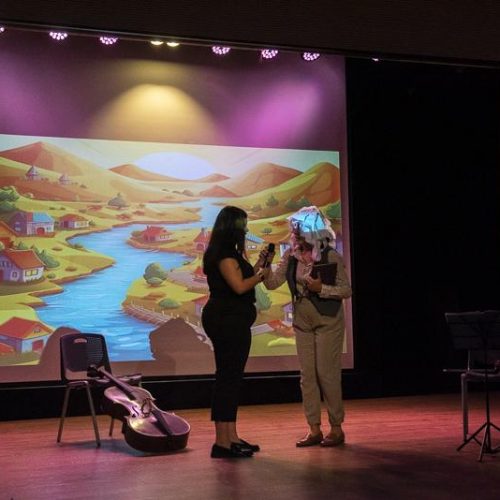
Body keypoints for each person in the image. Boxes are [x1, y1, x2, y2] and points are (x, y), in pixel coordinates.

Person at [263, 206, 352, 447]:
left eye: (298, 228)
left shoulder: (330, 256)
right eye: (293, 229)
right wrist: (265, 267)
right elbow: (272, 283)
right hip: (303, 322)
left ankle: (336, 428)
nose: (293, 232)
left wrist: (321, 289)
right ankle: (314, 429)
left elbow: (346, 290)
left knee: (327, 374)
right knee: (308, 377)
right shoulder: (291, 256)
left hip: (327, 321)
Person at [202, 205, 270, 458]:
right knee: (227, 378)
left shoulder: (228, 253)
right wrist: (260, 276)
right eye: (244, 224)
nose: (246, 229)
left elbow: (243, 278)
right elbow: (239, 286)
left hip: (231, 319)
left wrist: (260, 264)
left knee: (231, 377)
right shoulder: (224, 256)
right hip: (227, 320)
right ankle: (222, 442)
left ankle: (230, 437)